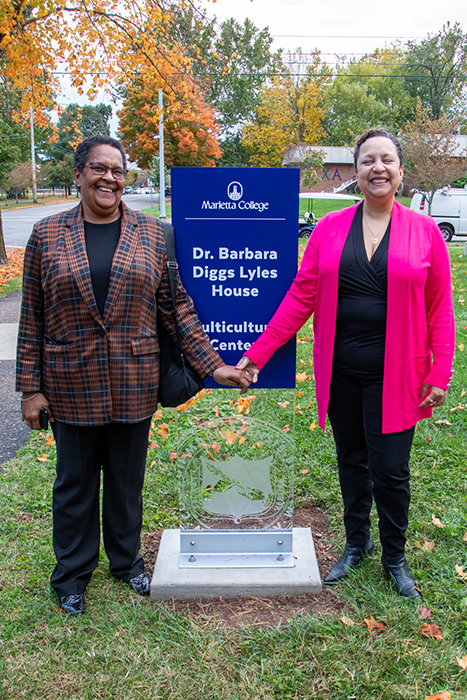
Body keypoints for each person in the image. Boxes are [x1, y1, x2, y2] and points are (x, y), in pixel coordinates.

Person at [16, 134, 249, 615]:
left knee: (126, 481)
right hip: (69, 383)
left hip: (132, 380)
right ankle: (72, 575)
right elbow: (32, 315)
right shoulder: (46, 233)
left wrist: (213, 366)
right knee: (74, 484)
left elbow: (176, 308)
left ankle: (126, 563)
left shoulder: (152, 233)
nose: (109, 178)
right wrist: (30, 388)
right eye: (99, 169)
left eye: (118, 170)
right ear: (79, 174)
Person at [237, 128, 455, 599]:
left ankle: (394, 557)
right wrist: (258, 354)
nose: (377, 168)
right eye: (367, 161)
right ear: (355, 172)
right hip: (341, 372)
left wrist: (440, 373)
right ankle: (357, 544)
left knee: (391, 471)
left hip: (398, 375)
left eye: (387, 160)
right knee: (351, 462)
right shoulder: (330, 228)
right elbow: (301, 297)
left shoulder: (425, 233)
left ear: (400, 172)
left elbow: (440, 310)